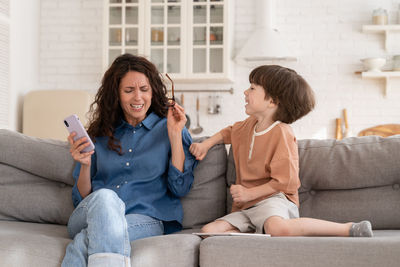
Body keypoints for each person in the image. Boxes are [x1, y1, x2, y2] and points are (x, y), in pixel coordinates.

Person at [189, 65, 373, 238]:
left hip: (273, 200)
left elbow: (286, 182)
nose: (245, 92)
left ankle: (348, 228)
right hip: (246, 206)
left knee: (278, 228)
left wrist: (250, 193)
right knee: (210, 231)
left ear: (272, 101)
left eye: (252, 88)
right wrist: (206, 144)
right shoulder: (248, 125)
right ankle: (257, 232)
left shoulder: (281, 133)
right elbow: (228, 132)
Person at [62, 54, 197, 267]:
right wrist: (86, 164)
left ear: (153, 91)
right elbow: (82, 200)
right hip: (92, 213)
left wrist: (174, 135)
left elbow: (180, 188)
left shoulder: (171, 127)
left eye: (144, 90)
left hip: (146, 217)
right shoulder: (100, 133)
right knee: (105, 198)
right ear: (116, 94)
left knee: (83, 242)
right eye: (128, 91)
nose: (138, 98)